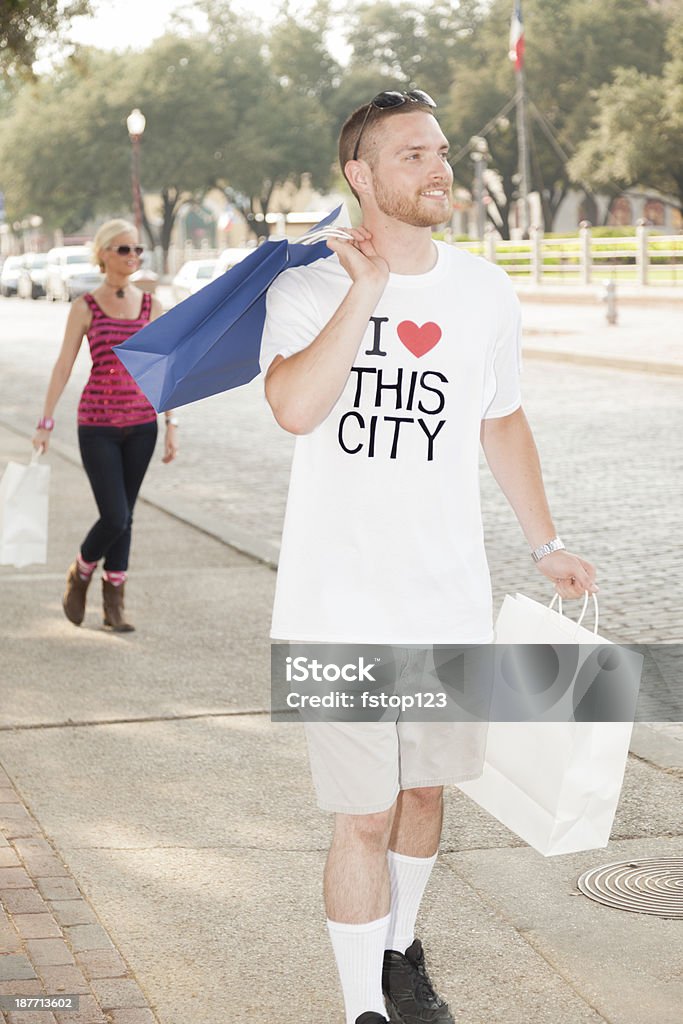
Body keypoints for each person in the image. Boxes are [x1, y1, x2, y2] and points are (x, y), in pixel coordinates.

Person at [260, 90, 597, 1024]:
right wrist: (365, 294)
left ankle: (400, 950)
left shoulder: (484, 289)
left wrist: (548, 542)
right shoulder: (302, 287)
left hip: (444, 600)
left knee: (420, 799)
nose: (438, 167)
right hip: (335, 608)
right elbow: (292, 406)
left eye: (441, 150)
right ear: (358, 175)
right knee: (361, 815)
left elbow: (501, 418)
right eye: (411, 154)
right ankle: (359, 1006)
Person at [32, 219, 178, 632]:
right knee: (114, 515)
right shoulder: (85, 307)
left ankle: (114, 603)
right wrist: (45, 422)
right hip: (96, 424)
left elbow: (163, 368)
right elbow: (64, 366)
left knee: (127, 514)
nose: (132, 256)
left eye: (137, 250)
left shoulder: (152, 305)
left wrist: (171, 422)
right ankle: (80, 571)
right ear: (103, 255)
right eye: (123, 249)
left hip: (141, 425)